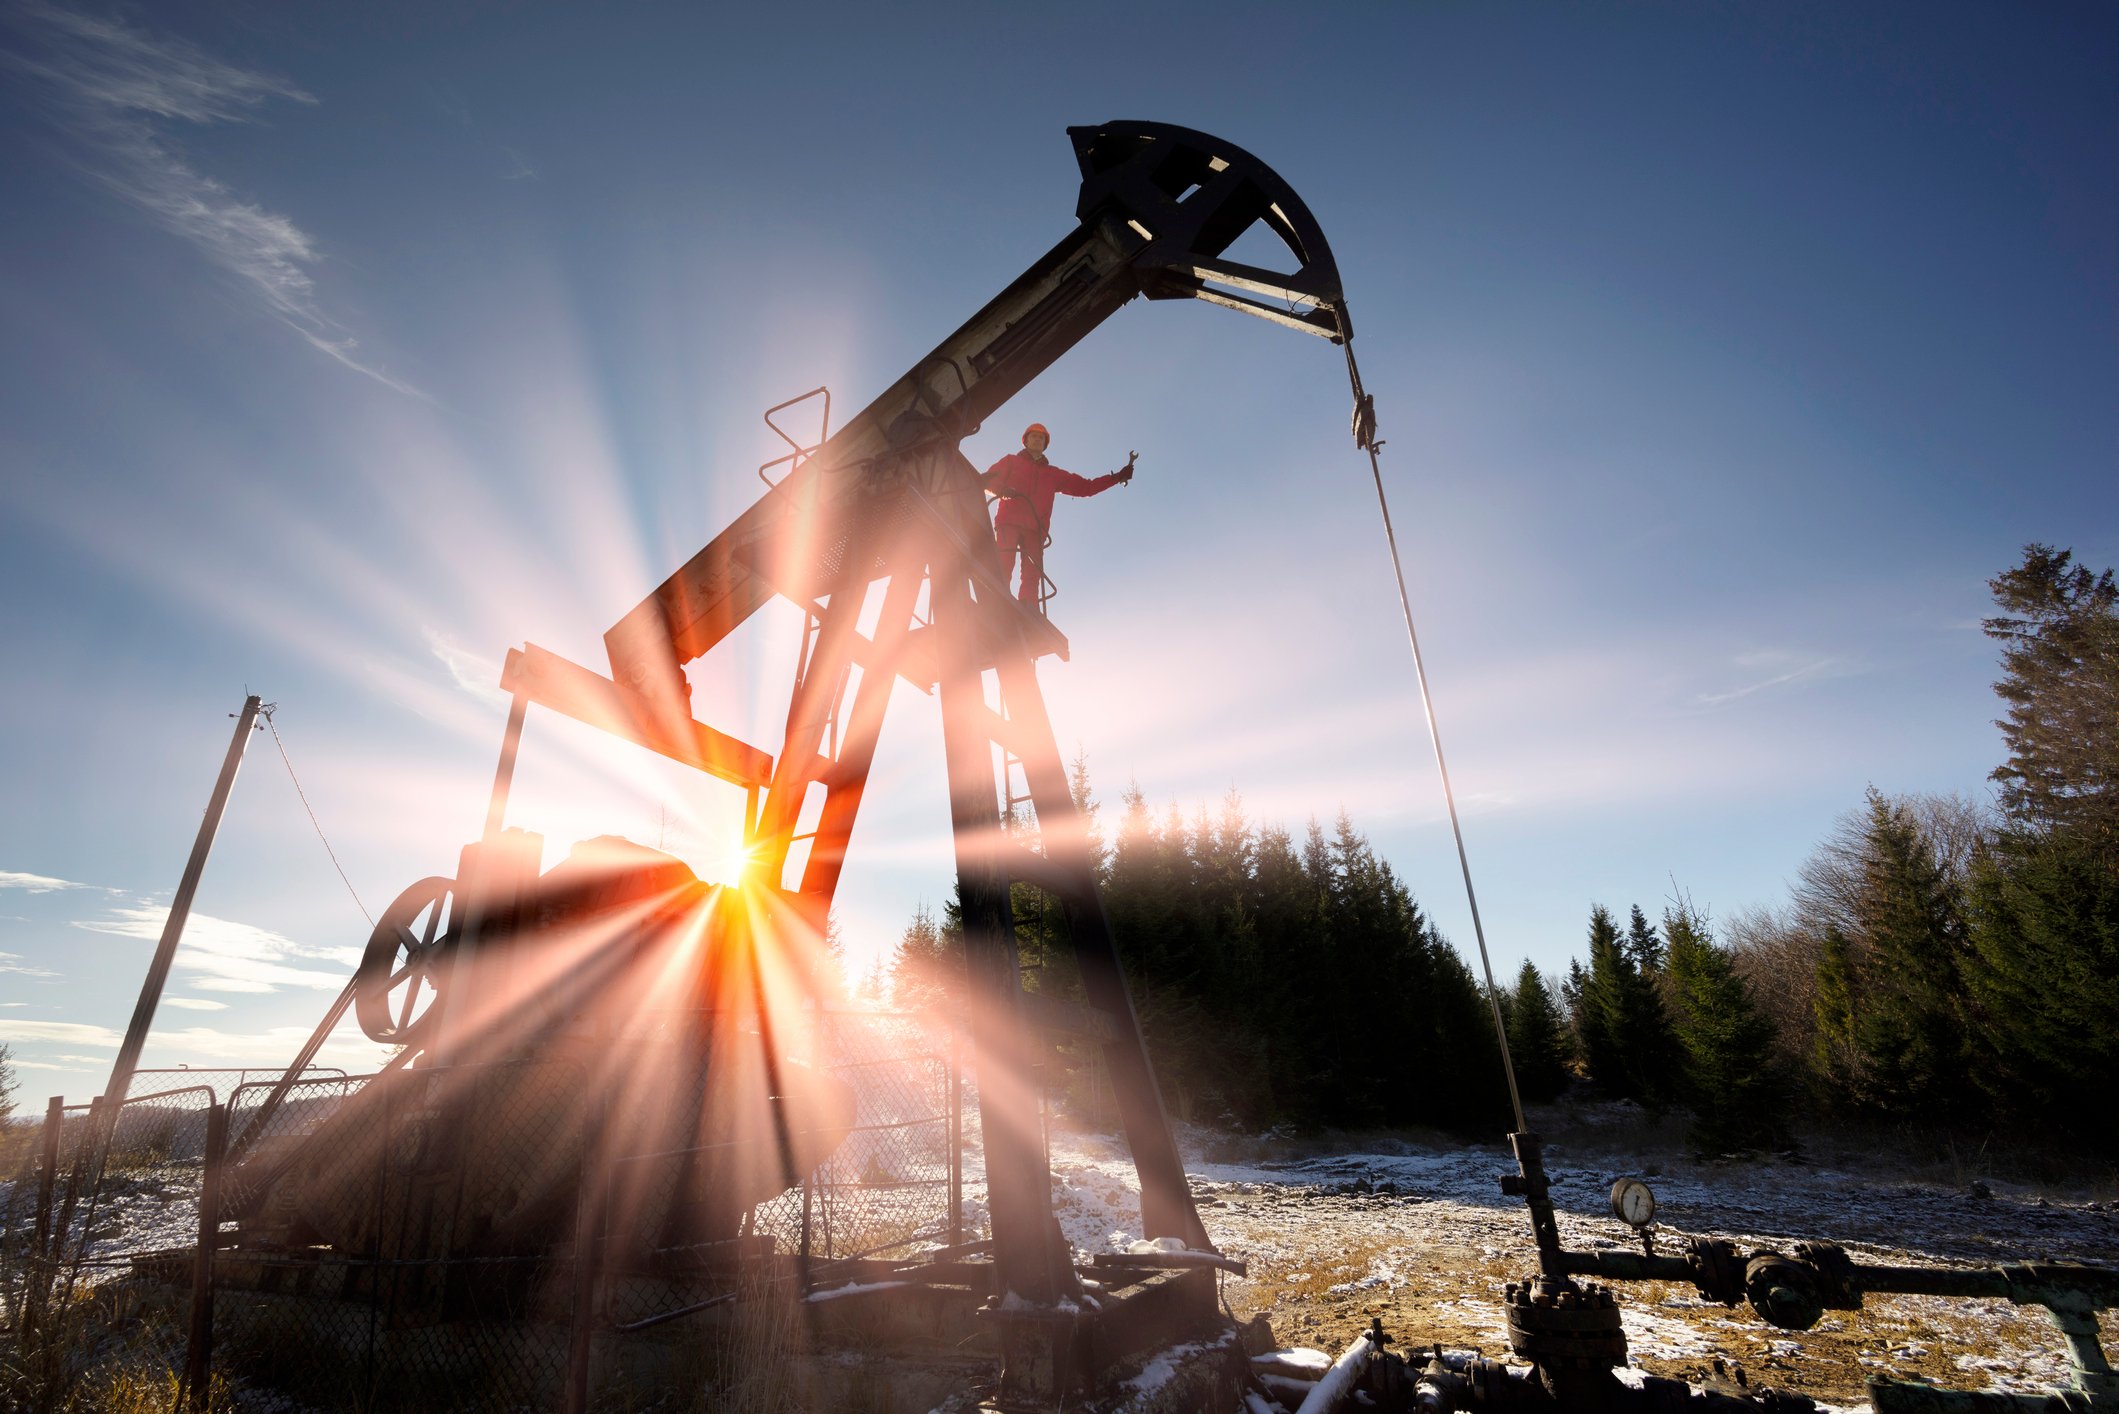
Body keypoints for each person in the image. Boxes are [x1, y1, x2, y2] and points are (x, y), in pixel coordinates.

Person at [983, 423, 1134, 605]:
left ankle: (1028, 608)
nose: (1038, 439)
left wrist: (1117, 477)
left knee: (1032, 576)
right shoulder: (1010, 461)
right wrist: (1002, 489)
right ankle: (996, 601)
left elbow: (1085, 487)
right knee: (1003, 564)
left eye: (1041, 438)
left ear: (1045, 444)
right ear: (1026, 440)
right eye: (1034, 436)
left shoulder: (1052, 474)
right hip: (1010, 522)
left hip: (1035, 530)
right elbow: (988, 480)